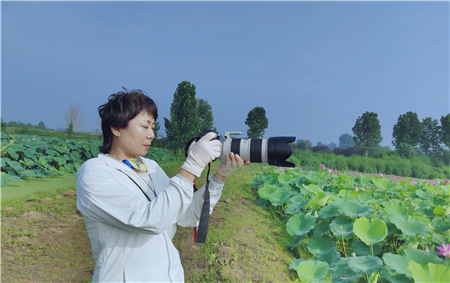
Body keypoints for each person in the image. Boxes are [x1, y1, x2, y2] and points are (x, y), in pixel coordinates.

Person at [76, 88, 249, 283]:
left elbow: (185, 214)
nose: (151, 134)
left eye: (153, 127)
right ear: (116, 128)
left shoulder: (150, 167)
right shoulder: (96, 176)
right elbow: (151, 219)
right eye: (144, 126)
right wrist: (192, 165)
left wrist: (220, 176)